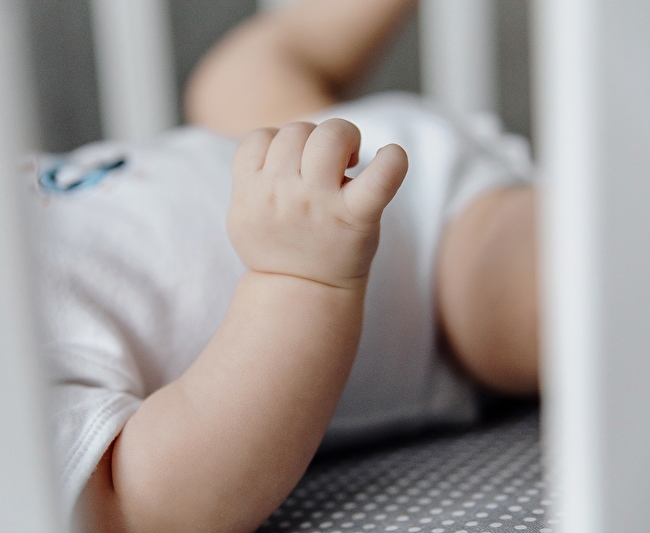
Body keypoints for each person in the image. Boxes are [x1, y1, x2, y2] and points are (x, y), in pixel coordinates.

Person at [29, 0, 539, 531]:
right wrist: (298, 276)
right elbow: (139, 503)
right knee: (552, 285)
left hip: (284, 137)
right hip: (437, 266)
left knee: (230, 80)